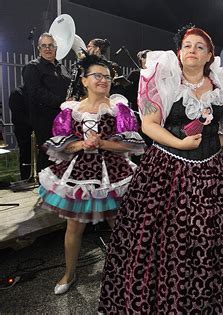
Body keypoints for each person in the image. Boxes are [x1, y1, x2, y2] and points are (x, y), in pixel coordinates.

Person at [98, 26, 223, 314]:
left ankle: (208, 301)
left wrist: (214, 148)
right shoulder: (164, 82)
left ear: (209, 56)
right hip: (166, 168)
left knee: (210, 235)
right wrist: (181, 143)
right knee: (162, 238)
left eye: (200, 47)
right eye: (187, 46)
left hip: (210, 172)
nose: (192, 50)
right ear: (179, 53)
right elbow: (149, 125)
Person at [38, 53, 145, 295]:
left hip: (114, 175)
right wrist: (81, 145)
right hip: (79, 174)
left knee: (120, 226)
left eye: (107, 76)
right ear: (84, 80)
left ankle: (127, 272)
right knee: (74, 227)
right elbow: (62, 145)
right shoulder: (70, 110)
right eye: (97, 75)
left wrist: (102, 145)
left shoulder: (120, 109)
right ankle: (70, 273)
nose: (103, 80)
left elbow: (132, 145)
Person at [22, 33, 71, 172]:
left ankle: (60, 188)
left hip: (63, 119)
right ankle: (45, 189)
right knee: (48, 155)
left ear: (56, 48)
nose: (47, 48)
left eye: (51, 45)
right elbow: (37, 92)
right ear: (39, 48)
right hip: (44, 120)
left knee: (64, 154)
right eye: (44, 45)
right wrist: (62, 102)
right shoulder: (33, 67)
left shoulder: (62, 68)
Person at [8, 86, 32, 180]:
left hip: (32, 128)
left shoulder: (32, 92)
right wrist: (34, 123)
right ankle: (26, 177)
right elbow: (18, 115)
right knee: (26, 154)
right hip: (23, 130)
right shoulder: (17, 93)